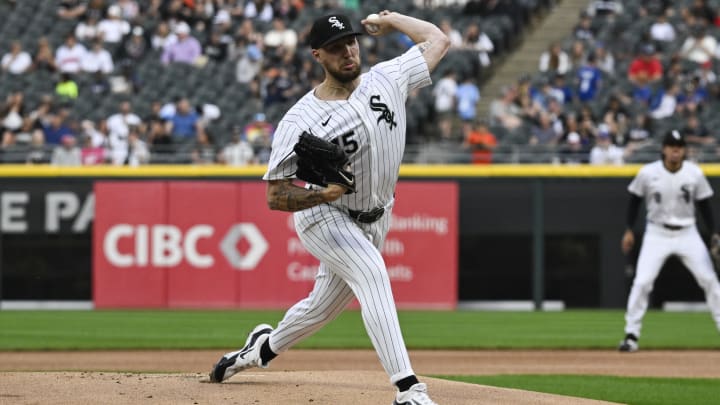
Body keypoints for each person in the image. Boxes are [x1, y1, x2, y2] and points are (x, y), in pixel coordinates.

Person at [208, 12, 449, 405]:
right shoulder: (300, 120)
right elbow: (275, 195)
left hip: (376, 215)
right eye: (336, 48)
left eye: (351, 42)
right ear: (318, 55)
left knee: (318, 311)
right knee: (373, 275)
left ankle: (256, 351)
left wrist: (390, 19)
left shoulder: (387, 77)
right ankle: (408, 390)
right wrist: (321, 195)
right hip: (324, 215)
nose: (347, 52)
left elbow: (438, 40)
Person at [619, 130, 720, 352]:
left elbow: (705, 206)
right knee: (642, 282)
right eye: (671, 146)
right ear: (664, 149)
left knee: (709, 280)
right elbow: (634, 202)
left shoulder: (694, 173)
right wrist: (628, 230)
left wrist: (714, 232)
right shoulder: (648, 172)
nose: (675, 150)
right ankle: (631, 335)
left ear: (684, 150)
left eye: (679, 146)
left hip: (688, 232)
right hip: (657, 233)